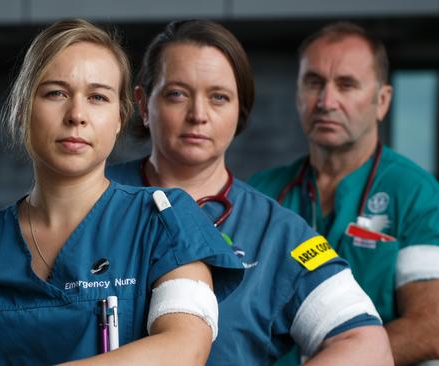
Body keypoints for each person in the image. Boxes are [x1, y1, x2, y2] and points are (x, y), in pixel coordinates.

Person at [0, 19, 245, 365]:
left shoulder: (167, 220)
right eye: (56, 93)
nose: (76, 115)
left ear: (118, 118)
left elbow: (185, 348)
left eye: (98, 97)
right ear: (23, 111)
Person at [107, 20, 393, 365]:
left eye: (219, 98)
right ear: (143, 101)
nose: (198, 115)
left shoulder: (279, 233)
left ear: (239, 110)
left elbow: (365, 342)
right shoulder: (90, 197)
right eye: (177, 94)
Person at [249, 22, 439, 366]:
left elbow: (430, 331)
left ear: (381, 101)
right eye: (314, 83)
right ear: (298, 95)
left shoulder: (417, 197)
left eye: (346, 84)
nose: (326, 101)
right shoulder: (260, 194)